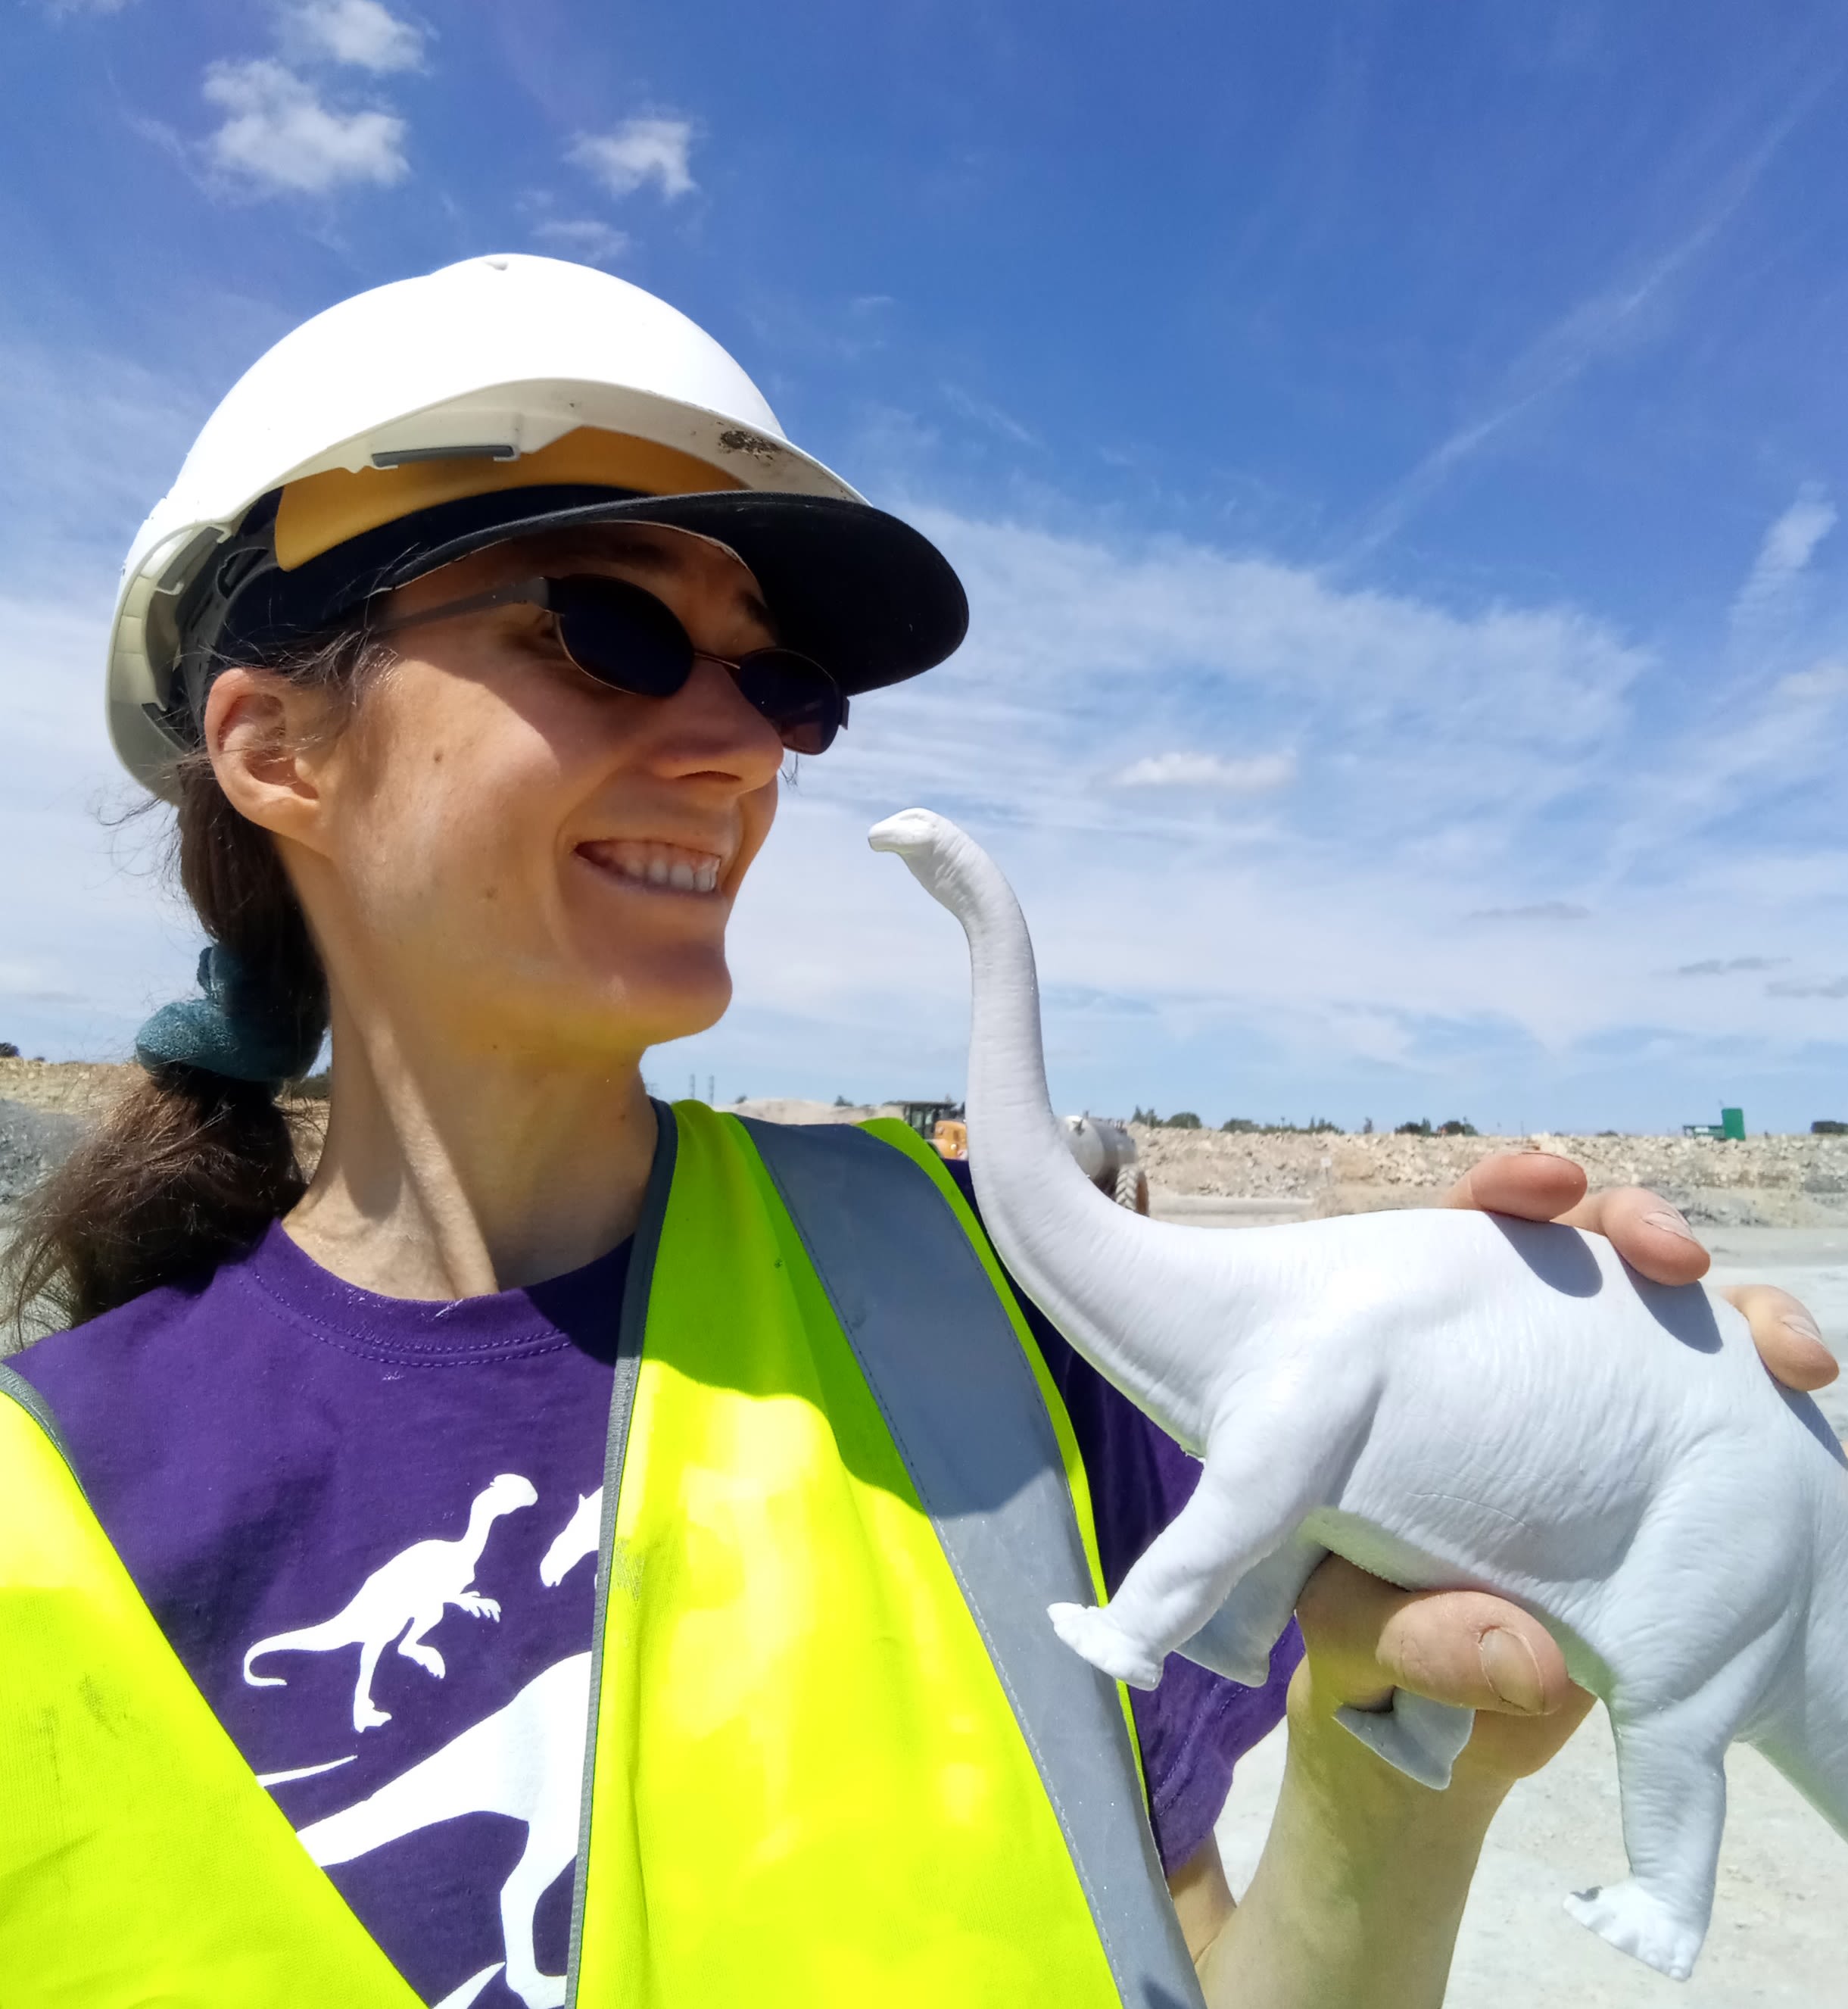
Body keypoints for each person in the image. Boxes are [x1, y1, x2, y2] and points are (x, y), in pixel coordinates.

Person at [1, 256, 1832, 2009]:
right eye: (609, 626)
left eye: (783, 680)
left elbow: (1177, 1958)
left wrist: (1400, 1740)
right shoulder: (53, 1526)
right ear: (273, 747)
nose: (743, 747)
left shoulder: (991, 1324)